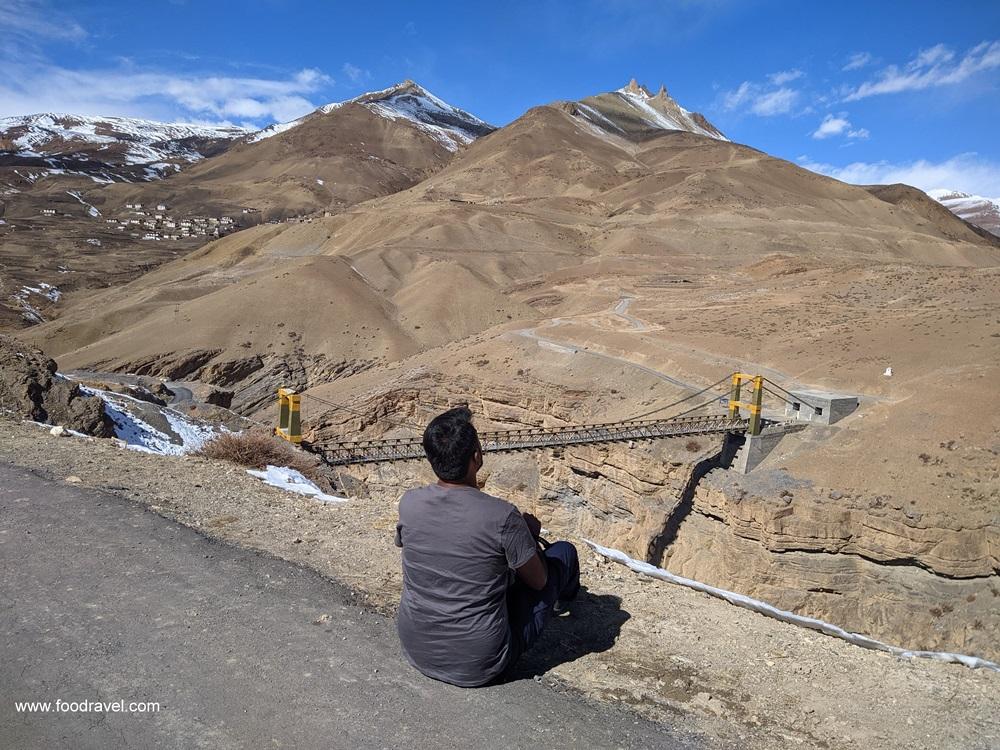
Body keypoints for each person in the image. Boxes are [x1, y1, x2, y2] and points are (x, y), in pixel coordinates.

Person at [394, 406, 580, 687]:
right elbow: (539, 581)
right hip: (478, 663)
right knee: (564, 553)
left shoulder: (409, 503)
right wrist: (528, 537)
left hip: (417, 648)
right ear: (477, 457)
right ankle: (571, 600)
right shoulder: (502, 516)